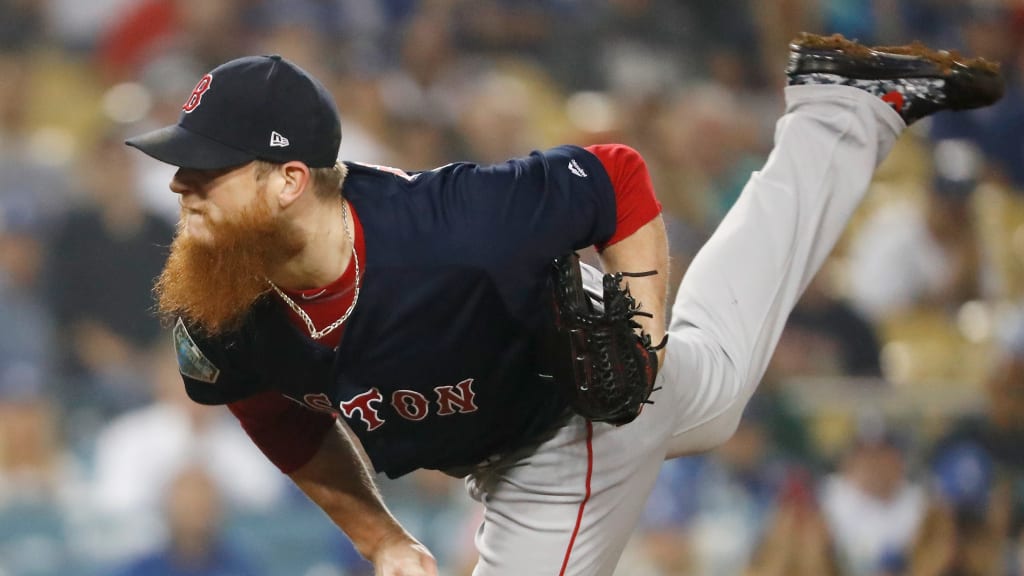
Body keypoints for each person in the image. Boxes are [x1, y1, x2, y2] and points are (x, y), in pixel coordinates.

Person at [124, 33, 1003, 576]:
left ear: (286, 181)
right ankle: (840, 111)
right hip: (510, 428)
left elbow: (615, 178)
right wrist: (381, 540)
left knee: (661, 403)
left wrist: (644, 345)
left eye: (206, 171)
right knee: (724, 386)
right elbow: (274, 413)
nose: (180, 186)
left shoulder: (455, 229)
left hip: (571, 415)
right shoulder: (218, 295)